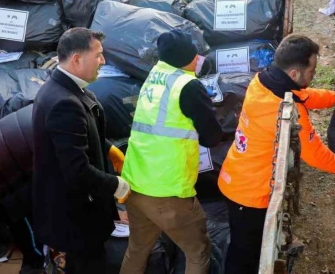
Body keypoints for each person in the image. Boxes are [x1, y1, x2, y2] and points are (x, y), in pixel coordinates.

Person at [218, 34, 335, 274]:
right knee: (245, 254)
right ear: (295, 74)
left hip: (236, 175)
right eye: (312, 70)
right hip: (249, 194)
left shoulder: (264, 81)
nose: (314, 74)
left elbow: (304, 96)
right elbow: (313, 151)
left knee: (247, 245)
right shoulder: (285, 107)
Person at [120, 29, 224, 274]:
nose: (199, 57)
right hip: (168, 191)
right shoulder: (188, 86)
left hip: (135, 184)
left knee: (137, 249)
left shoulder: (155, 74)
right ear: (186, 56)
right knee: (198, 251)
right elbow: (212, 137)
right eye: (195, 53)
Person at [31, 28, 129, 273]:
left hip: (74, 212)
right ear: (77, 59)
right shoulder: (65, 103)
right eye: (98, 55)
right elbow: (76, 171)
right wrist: (118, 186)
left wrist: (109, 150)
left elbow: (79, 134)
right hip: (74, 219)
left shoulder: (67, 87)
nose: (103, 61)